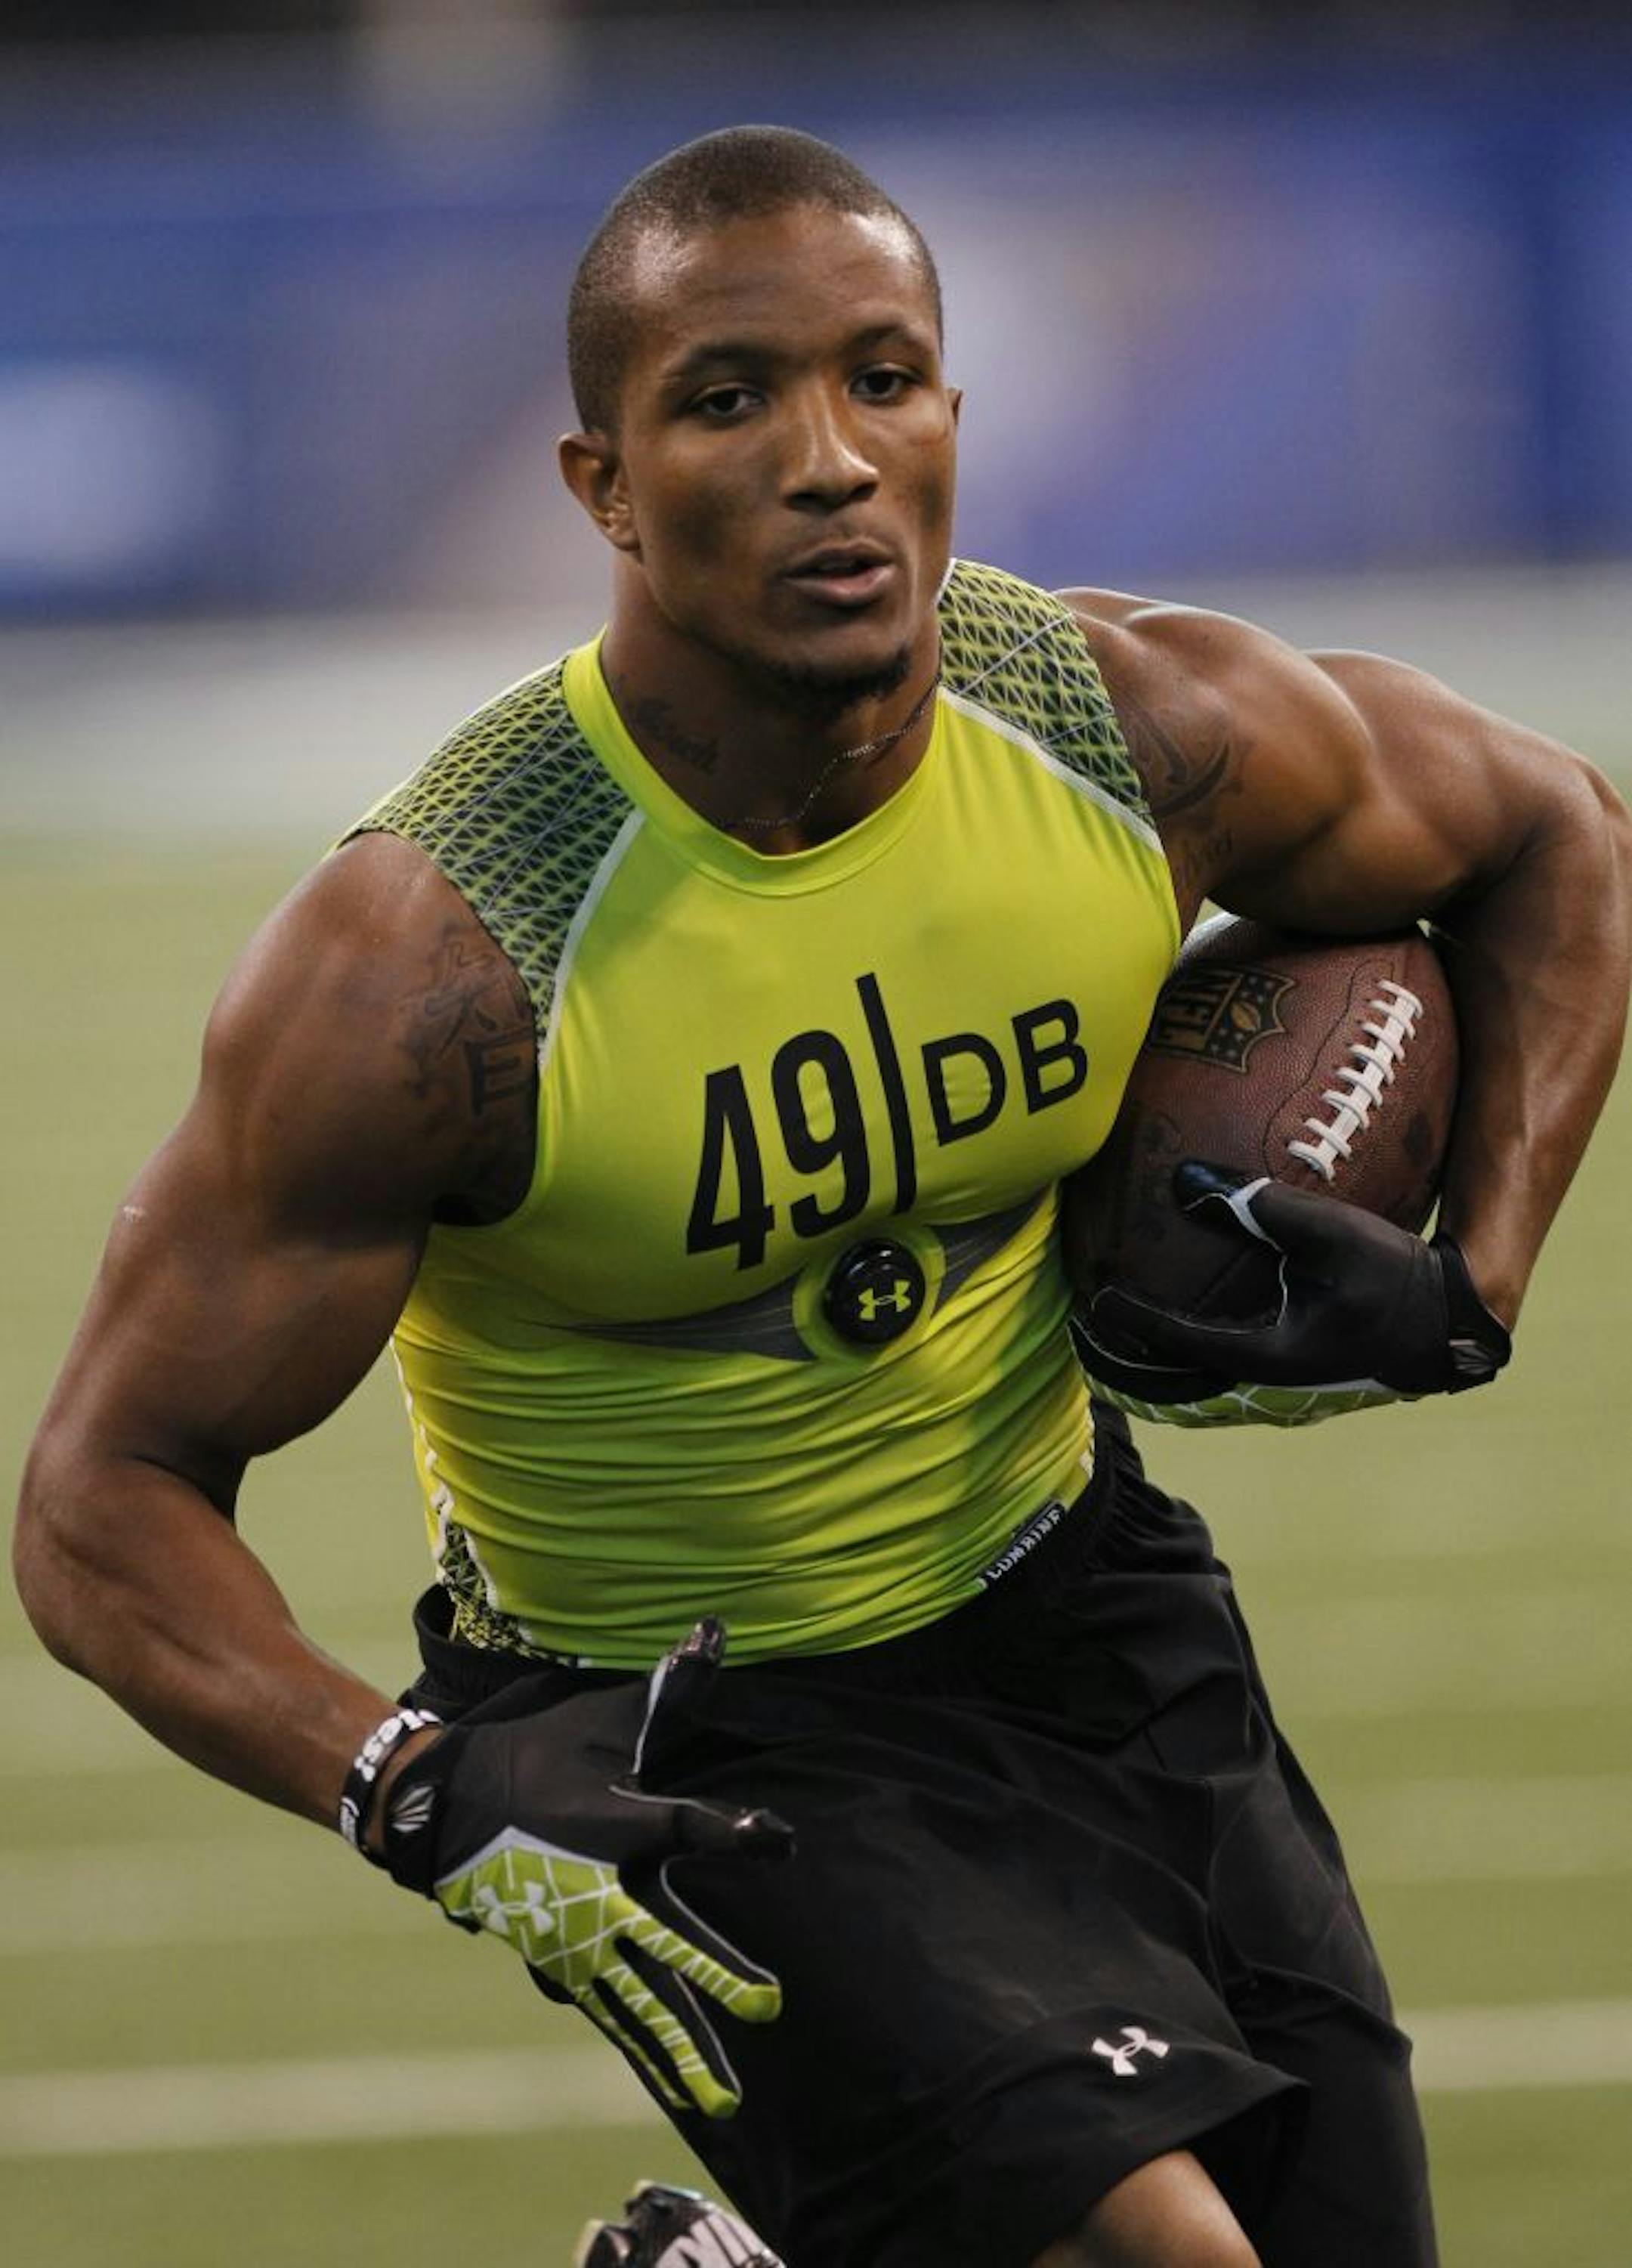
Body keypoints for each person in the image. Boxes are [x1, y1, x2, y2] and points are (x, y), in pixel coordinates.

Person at [14, 123, 1631, 2268]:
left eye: (884, 379)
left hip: (1092, 1605)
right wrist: (406, 1779)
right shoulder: (436, 961)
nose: (832, 461)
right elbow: (99, 1500)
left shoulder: (1124, 730)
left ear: (954, 409)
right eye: (728, 400)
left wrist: (1473, 1278)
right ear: (603, 486)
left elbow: (1557, 835)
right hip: (689, 1736)